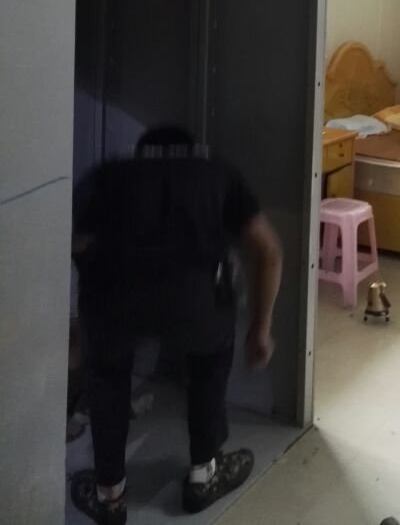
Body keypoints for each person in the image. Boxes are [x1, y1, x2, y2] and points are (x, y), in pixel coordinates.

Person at [70, 126, 283, 525]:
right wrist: (260, 329)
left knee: (108, 377)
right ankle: (204, 476)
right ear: (192, 150)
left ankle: (109, 497)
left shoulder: (109, 173)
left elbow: (73, 241)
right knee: (210, 360)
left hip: (115, 298)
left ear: (141, 153)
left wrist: (82, 320)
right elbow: (268, 251)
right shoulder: (218, 172)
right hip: (196, 304)